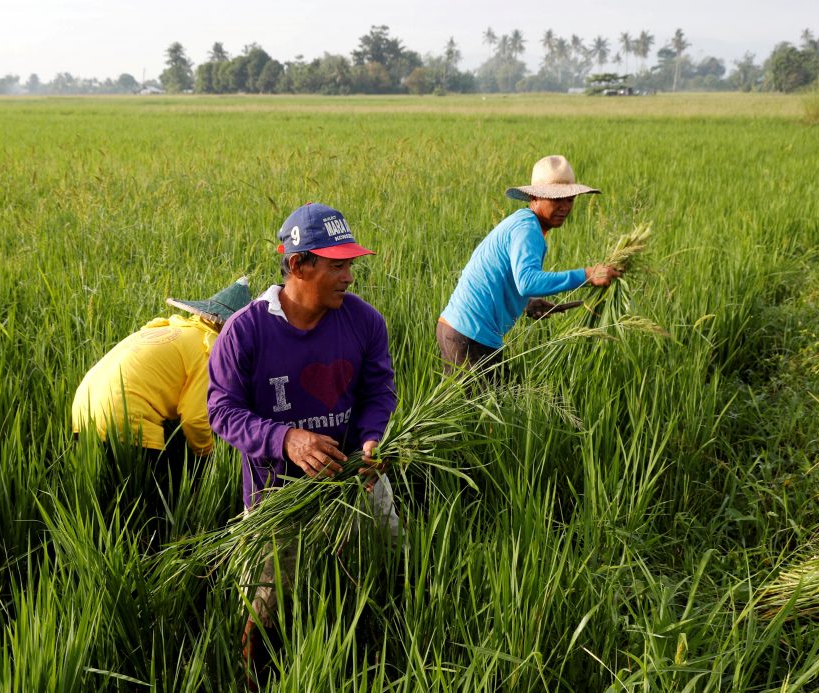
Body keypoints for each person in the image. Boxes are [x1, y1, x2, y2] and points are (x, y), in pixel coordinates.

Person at [206, 203, 398, 680]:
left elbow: (380, 392)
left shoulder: (365, 322)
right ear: (298, 265)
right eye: (337, 265)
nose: (349, 275)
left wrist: (372, 441)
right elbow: (221, 412)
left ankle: (375, 657)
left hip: (355, 480)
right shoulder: (245, 332)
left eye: (351, 263)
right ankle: (251, 676)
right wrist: (285, 438)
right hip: (277, 496)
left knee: (384, 569)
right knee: (268, 600)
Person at [438, 155, 623, 372]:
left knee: (484, 402)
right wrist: (587, 275)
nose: (564, 207)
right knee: (498, 403)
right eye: (556, 199)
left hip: (457, 330)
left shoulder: (522, 222)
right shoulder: (528, 229)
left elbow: (505, 276)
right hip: (470, 336)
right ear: (535, 197)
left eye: (570, 199)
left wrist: (526, 302)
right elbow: (527, 281)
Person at [71, 277, 251, 495]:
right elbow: (195, 417)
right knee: (152, 505)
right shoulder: (209, 348)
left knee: (102, 498)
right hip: (125, 418)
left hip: (83, 410)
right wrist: (208, 461)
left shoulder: (173, 329)